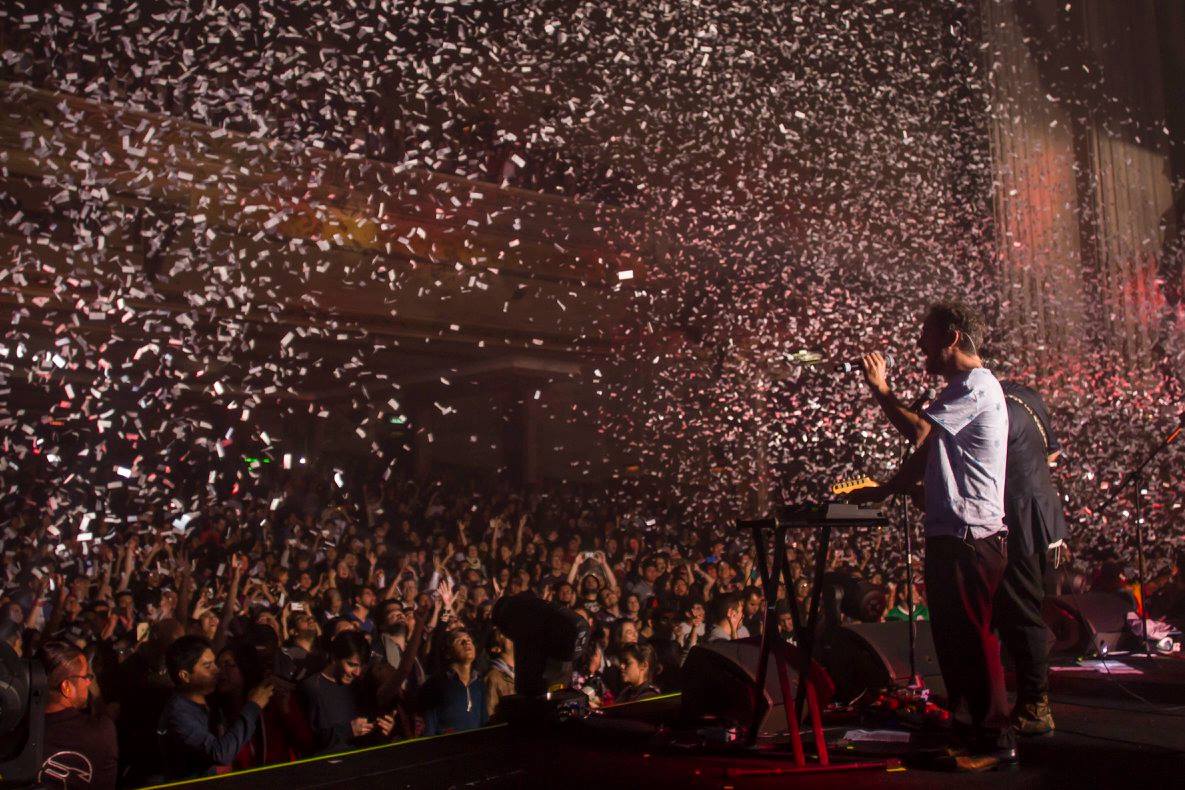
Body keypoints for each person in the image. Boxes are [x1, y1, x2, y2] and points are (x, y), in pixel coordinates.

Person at [854, 301, 1014, 771]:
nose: (920, 344)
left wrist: (881, 390)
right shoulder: (958, 390)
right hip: (953, 532)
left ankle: (996, 739)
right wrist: (886, 489)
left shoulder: (977, 385)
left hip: (971, 535)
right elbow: (928, 454)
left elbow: (921, 432)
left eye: (927, 335)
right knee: (953, 639)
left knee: (975, 638)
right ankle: (969, 731)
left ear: (953, 337)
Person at [996, 381, 1067, 736]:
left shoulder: (995, 407)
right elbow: (1052, 454)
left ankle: (1035, 707)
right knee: (1026, 608)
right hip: (1042, 513)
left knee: (1022, 612)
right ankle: (1030, 701)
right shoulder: (1026, 397)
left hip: (1019, 515)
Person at [158, 635, 274, 780]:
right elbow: (220, 753)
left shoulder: (210, 701)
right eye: (208, 666)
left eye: (215, 664)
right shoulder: (179, 715)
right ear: (185, 676)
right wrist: (253, 706)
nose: (217, 670)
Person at [37, 641, 118, 790]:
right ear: (66, 687)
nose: (89, 682)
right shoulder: (101, 731)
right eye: (86, 676)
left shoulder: (17, 727)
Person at [298, 631, 391, 754]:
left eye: (361, 666)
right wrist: (349, 730)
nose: (357, 672)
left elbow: (368, 734)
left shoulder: (359, 686)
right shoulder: (311, 688)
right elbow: (308, 741)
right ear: (334, 657)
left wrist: (382, 729)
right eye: (351, 664)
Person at [419, 629, 487, 734]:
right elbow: (429, 727)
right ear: (448, 653)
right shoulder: (435, 684)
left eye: (469, 640)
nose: (467, 642)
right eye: (459, 641)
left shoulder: (479, 685)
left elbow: (484, 723)